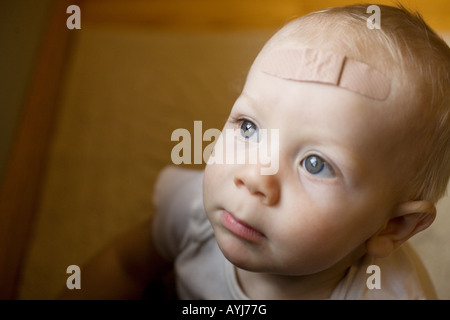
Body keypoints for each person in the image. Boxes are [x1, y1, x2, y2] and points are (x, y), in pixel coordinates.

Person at [59, 4, 450, 300]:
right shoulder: (195, 212)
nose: (253, 176)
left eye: (315, 164)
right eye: (249, 128)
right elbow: (126, 265)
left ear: (391, 227)